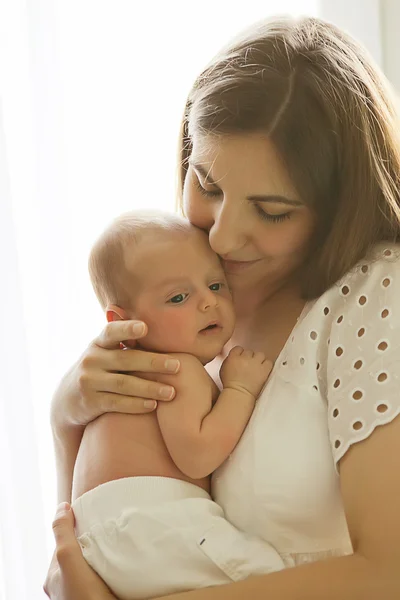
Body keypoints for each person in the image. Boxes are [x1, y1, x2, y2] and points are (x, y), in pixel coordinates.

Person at [44, 14, 400, 600]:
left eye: (273, 210)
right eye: (207, 185)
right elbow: (92, 544)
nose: (223, 237)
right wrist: (67, 418)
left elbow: (387, 573)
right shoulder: (180, 296)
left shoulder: (371, 299)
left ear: (340, 205)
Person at [70, 210, 285, 600]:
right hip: (153, 521)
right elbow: (199, 455)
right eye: (179, 297)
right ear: (124, 324)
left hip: (99, 539)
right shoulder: (175, 368)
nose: (208, 303)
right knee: (273, 576)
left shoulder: (121, 379)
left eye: (217, 285)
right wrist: (240, 389)